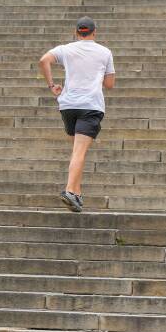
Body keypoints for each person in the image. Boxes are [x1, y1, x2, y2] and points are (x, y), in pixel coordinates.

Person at [38, 17, 115, 212]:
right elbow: (109, 84)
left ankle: (77, 194)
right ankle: (70, 190)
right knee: (79, 152)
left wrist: (51, 85)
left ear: (76, 31)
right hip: (90, 105)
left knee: (76, 151)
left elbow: (44, 60)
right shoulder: (104, 52)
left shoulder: (66, 49)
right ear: (94, 32)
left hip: (68, 105)